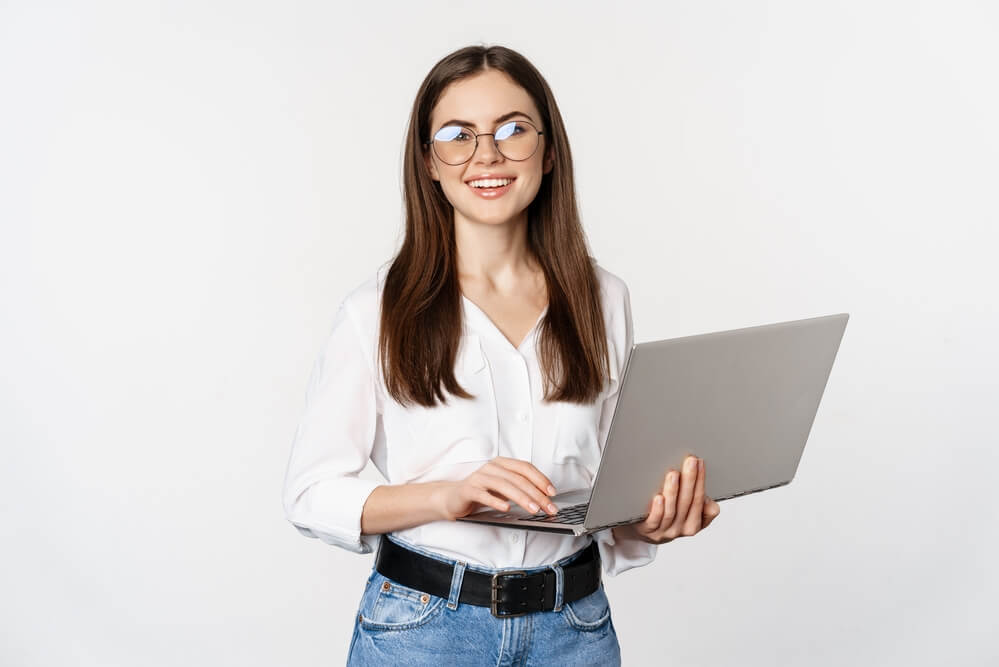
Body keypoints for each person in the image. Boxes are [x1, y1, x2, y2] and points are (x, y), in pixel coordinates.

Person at [282, 44, 721, 666]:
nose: (487, 155)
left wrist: (654, 518)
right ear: (429, 161)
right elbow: (311, 492)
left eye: (513, 130)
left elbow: (607, 489)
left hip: (574, 628)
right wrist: (446, 495)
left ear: (548, 151)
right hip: (423, 631)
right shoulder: (376, 310)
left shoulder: (604, 299)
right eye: (458, 135)